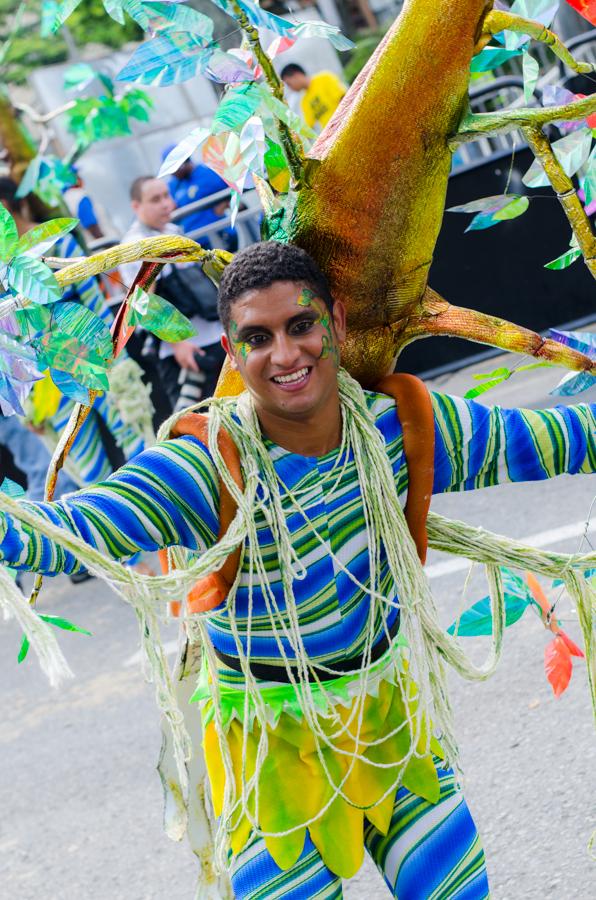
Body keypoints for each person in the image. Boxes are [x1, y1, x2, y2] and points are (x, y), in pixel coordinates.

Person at [1, 242, 594, 898]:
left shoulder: (401, 427)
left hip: (389, 723)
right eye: (257, 337)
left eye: (301, 326)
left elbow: (557, 441)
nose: (285, 354)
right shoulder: (206, 467)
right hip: (266, 753)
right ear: (231, 351)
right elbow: (71, 532)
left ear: (336, 323)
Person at [121, 175, 225, 413]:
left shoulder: (172, 230)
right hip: (185, 353)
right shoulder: (136, 244)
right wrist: (178, 344)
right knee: (198, 427)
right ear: (136, 207)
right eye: (155, 199)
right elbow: (142, 300)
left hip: (212, 337)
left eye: (167, 195)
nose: (167, 204)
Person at [163, 150, 237, 252]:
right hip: (194, 241)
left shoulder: (208, 173)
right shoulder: (174, 184)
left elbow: (233, 190)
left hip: (219, 234)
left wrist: (222, 207)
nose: (172, 174)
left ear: (183, 163)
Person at [281, 62, 347, 132]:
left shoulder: (324, 78)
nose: (290, 88)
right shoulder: (304, 101)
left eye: (289, 84)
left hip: (346, 122)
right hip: (334, 133)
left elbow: (344, 99)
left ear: (296, 75)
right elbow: (308, 128)